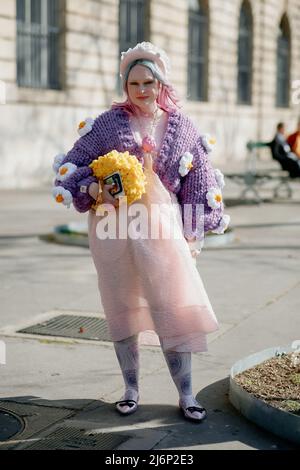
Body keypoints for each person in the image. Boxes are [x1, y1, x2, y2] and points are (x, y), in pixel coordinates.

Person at [52, 42, 230, 423]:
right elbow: (71, 167)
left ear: (161, 82)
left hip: (163, 229)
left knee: (173, 305)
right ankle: (131, 388)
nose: (142, 90)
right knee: (122, 303)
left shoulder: (181, 126)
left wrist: (193, 233)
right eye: (134, 83)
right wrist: (93, 188)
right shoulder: (108, 124)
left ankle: (186, 393)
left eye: (149, 81)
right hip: (114, 228)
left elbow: (198, 180)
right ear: (125, 86)